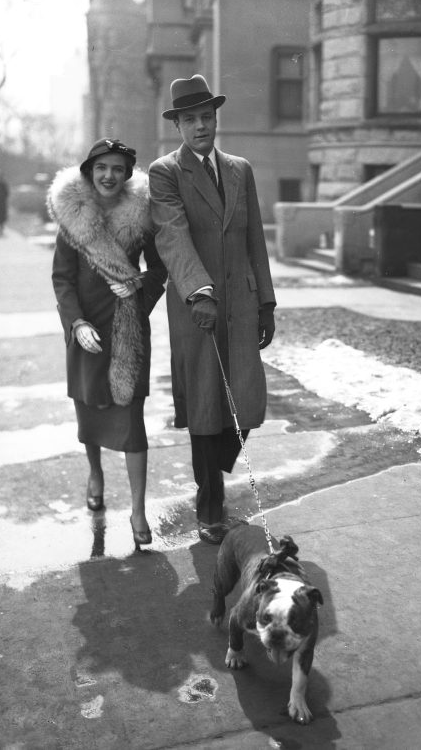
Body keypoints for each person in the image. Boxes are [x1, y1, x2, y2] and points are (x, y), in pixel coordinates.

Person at [149, 74, 276, 545]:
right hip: (196, 308)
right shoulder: (164, 173)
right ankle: (210, 506)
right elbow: (172, 235)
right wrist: (197, 292)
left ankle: (217, 476)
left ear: (215, 117)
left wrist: (265, 300)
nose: (200, 126)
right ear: (178, 126)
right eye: (189, 119)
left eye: (206, 116)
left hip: (241, 305)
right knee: (205, 405)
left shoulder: (240, 169)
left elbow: (255, 238)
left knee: (246, 402)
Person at [50, 138, 167, 551]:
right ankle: (96, 475)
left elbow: (158, 270)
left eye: (118, 168)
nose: (109, 176)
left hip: (127, 329)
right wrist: (75, 323)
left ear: (127, 174)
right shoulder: (73, 218)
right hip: (86, 333)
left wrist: (136, 293)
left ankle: (137, 509)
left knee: (132, 423)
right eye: (102, 168)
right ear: (89, 172)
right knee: (91, 415)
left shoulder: (141, 215)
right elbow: (62, 278)